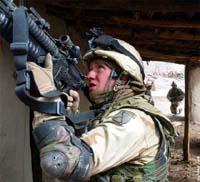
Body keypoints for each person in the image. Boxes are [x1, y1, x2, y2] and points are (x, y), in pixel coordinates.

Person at [27, 35, 175, 181]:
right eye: (90, 68)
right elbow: (86, 149)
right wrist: (71, 115)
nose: (89, 75)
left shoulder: (133, 121)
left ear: (122, 79)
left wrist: (48, 99)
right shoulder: (112, 113)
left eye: (100, 68)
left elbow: (61, 163)